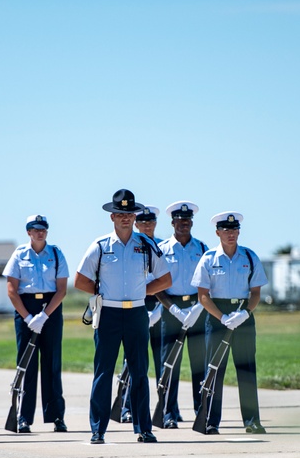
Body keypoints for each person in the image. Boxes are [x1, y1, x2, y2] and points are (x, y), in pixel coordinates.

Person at [74, 189, 171, 444]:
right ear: (112, 217)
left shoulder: (146, 244)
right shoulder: (100, 246)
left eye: (129, 213)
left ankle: (143, 428)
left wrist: (142, 292)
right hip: (108, 314)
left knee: (140, 372)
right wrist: (102, 293)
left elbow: (165, 278)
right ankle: (98, 429)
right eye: (120, 214)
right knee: (103, 372)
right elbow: (80, 279)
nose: (125, 218)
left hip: (137, 313)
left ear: (135, 215)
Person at [191, 211, 269, 435]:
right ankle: (210, 420)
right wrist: (222, 317)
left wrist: (245, 313)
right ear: (217, 232)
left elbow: (255, 292)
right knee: (214, 370)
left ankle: (252, 421)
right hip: (217, 316)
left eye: (234, 230)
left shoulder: (249, 257)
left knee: (246, 369)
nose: (231, 234)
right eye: (226, 230)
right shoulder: (208, 258)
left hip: (242, 315)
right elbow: (203, 295)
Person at [2, 214, 69, 433]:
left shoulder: (56, 254)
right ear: (28, 232)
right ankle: (24, 417)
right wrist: (29, 317)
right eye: (35, 229)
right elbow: (11, 289)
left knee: (52, 364)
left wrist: (44, 316)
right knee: (27, 366)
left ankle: (56, 416)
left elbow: (61, 290)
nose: (40, 233)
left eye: (43, 229)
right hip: (26, 310)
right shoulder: (19, 254)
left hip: (50, 309)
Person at [153, 201, 209, 429]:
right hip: (171, 310)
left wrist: (197, 308)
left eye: (187, 220)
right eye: (179, 220)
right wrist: (174, 309)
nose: (183, 224)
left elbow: (209, 283)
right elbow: (156, 285)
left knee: (200, 364)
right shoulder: (163, 249)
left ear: (191, 222)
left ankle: (201, 412)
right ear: (173, 222)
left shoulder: (203, 249)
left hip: (197, 309)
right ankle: (167, 413)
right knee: (170, 365)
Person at [118, 205, 164, 423]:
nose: (147, 226)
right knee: (131, 362)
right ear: (136, 224)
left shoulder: (162, 247)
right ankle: (126, 406)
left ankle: (165, 408)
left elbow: (167, 283)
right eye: (143, 223)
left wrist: (162, 309)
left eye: (151, 222)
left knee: (162, 361)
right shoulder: (130, 245)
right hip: (135, 305)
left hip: (160, 306)